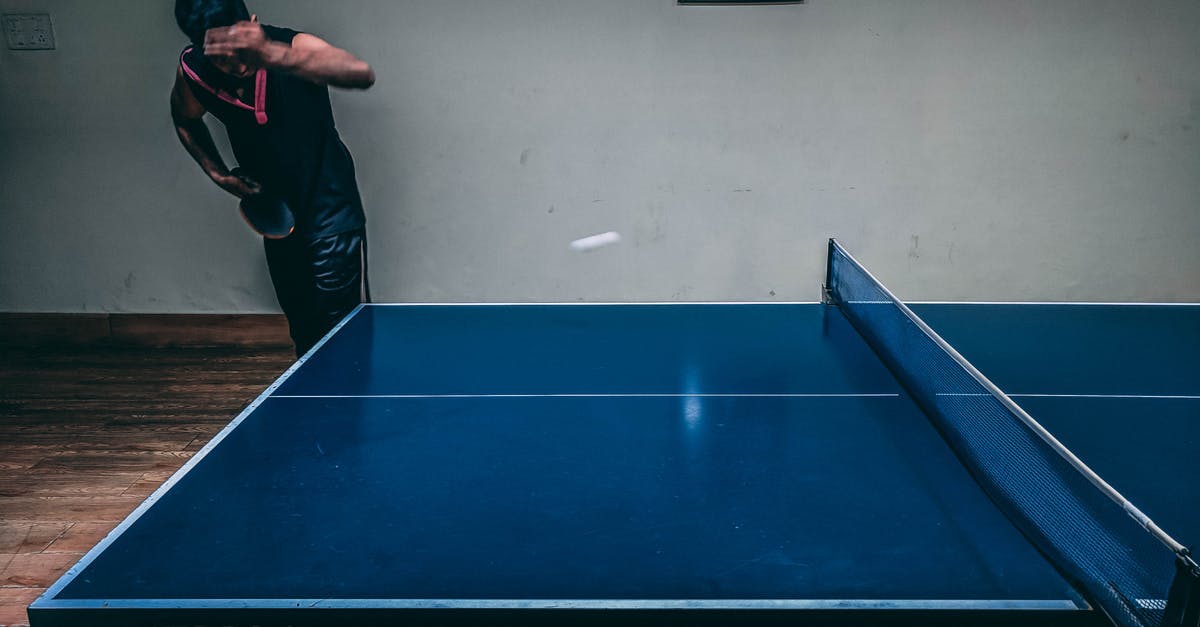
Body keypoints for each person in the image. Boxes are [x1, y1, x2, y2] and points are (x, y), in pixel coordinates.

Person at [171, 0, 376, 356]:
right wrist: (219, 174)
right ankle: (314, 411)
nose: (235, 65)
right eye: (222, 57)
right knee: (305, 334)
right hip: (281, 222)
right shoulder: (194, 72)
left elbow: (359, 72)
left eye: (241, 50)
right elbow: (185, 119)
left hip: (332, 217)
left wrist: (270, 54)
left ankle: (356, 409)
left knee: (345, 338)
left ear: (252, 25)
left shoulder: (293, 48)